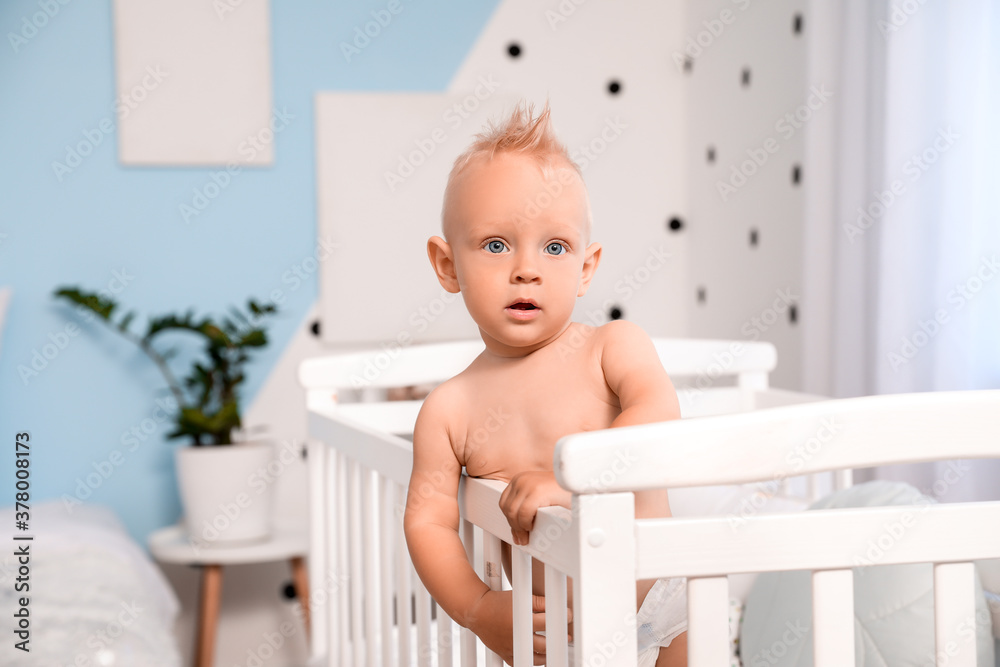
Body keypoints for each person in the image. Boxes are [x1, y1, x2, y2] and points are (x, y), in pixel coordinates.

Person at [402, 100, 688, 667]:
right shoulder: (449, 409)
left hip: (659, 599)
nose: (526, 268)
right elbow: (427, 521)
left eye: (554, 247)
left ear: (585, 266)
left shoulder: (612, 347)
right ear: (447, 266)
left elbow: (659, 414)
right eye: (495, 244)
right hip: (553, 633)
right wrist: (480, 609)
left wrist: (574, 477)